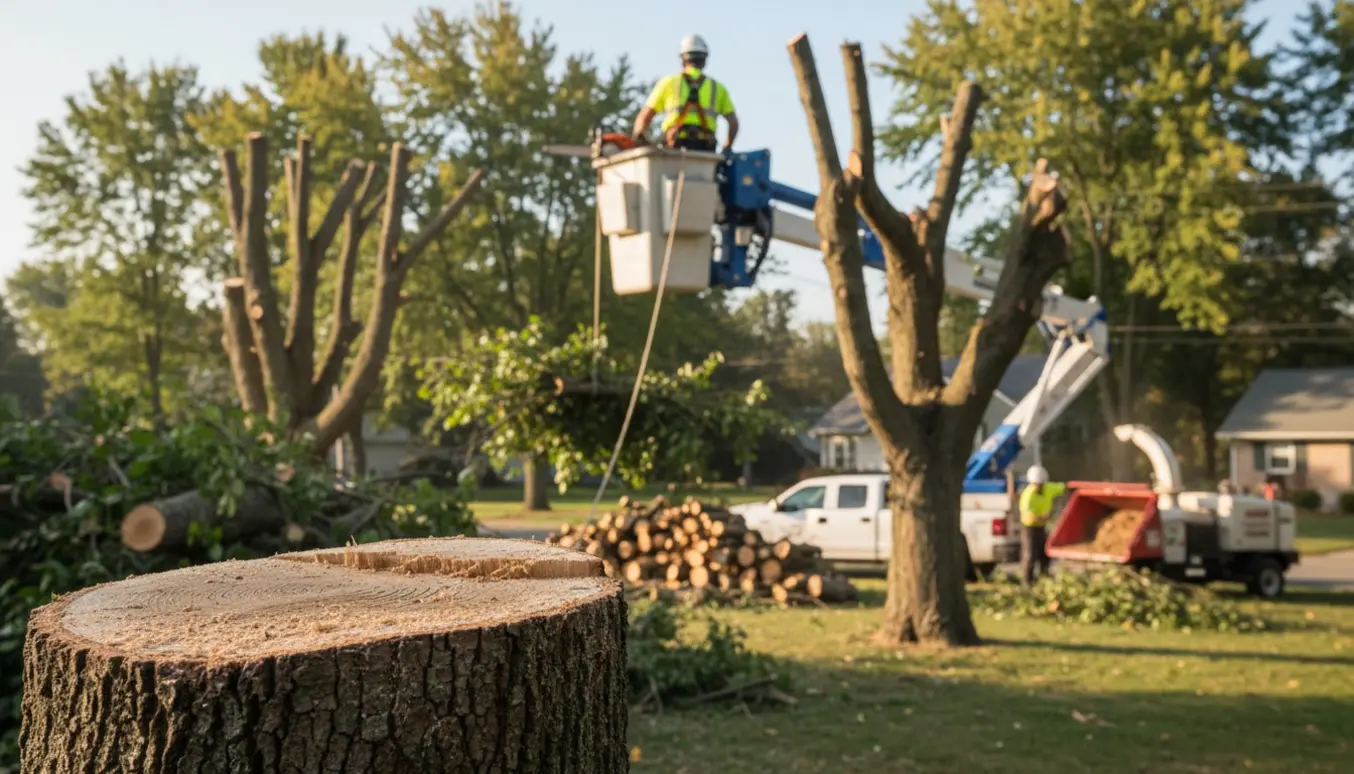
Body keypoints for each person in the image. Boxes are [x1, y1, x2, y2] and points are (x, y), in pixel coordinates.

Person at [631, 34, 739, 152]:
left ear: (683, 60)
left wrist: (639, 141)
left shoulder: (668, 83)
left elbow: (644, 117)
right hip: (705, 151)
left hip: (673, 147)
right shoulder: (718, 88)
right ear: (704, 61)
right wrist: (727, 148)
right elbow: (733, 123)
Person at [1018, 465, 1066, 587]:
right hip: (1029, 528)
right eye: (1036, 484)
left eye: (1040, 484)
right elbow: (1028, 516)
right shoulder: (1028, 496)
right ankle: (1027, 581)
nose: (1039, 486)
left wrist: (1072, 487)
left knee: (1044, 553)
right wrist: (1043, 516)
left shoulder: (1047, 488)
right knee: (1029, 554)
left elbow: (1061, 487)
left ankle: (1045, 577)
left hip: (1041, 526)